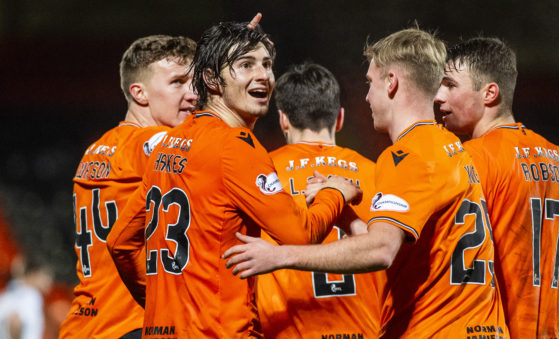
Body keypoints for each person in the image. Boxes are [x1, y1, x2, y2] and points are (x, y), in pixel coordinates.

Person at [224, 27, 508, 338]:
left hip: (439, 330)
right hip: (477, 326)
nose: (367, 96)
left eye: (370, 83)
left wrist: (280, 256)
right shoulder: (449, 147)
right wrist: (345, 213)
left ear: (391, 82)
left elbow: (381, 249)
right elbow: (404, 252)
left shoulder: (407, 155)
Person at [106, 22, 361, 338]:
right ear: (212, 79)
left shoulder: (168, 144)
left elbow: (120, 242)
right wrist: (335, 192)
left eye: (267, 64)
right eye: (246, 64)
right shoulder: (235, 146)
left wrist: (161, 304)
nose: (264, 75)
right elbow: (300, 236)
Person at [433, 37, 559, 338]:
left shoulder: (469, 160)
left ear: (489, 93)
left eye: (450, 85)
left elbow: (448, 265)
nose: (438, 96)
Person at [59, 34, 198, 339]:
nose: (193, 95)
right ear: (140, 93)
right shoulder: (147, 144)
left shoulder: (98, 148)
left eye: (194, 83)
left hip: (86, 322)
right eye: (177, 82)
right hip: (131, 323)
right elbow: (183, 147)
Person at [257, 62, 383, 338]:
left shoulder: (262, 174)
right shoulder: (377, 173)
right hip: (366, 329)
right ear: (339, 118)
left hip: (286, 331)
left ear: (283, 120)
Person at [0, 255, 54, 339]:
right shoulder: (31, 295)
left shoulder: (8, 293)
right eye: (45, 275)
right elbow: (15, 321)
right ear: (34, 274)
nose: (49, 280)